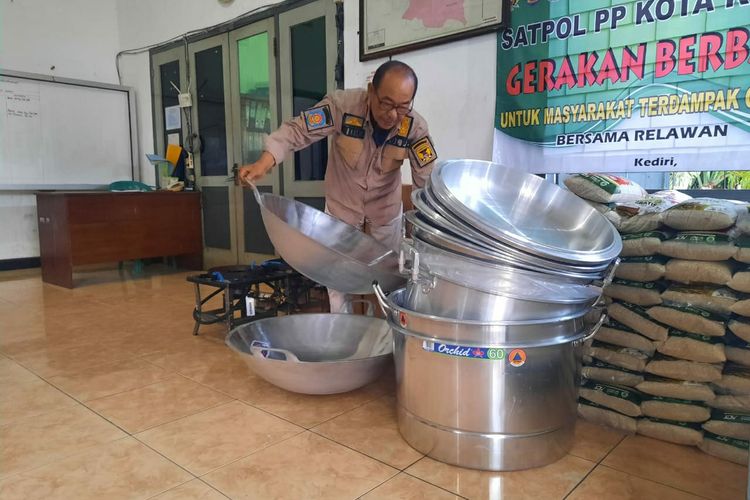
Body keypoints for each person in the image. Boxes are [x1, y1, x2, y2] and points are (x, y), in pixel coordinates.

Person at [239, 60, 437, 313]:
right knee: (337, 282)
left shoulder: (415, 127)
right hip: (342, 210)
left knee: (389, 281)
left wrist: (428, 231)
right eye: (386, 104)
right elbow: (298, 131)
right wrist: (264, 163)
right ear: (371, 91)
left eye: (402, 106)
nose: (392, 114)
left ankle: (384, 339)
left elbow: (426, 181)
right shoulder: (342, 107)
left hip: (385, 214)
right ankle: (343, 336)